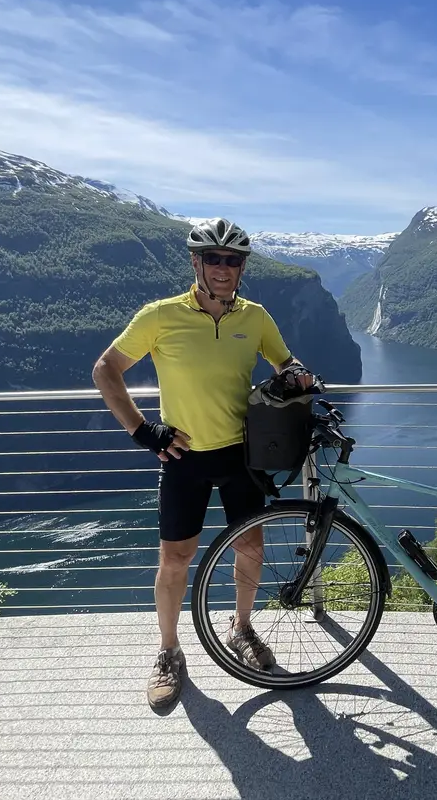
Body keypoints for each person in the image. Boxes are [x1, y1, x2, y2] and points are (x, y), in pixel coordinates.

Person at [91, 217, 318, 711]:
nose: (222, 268)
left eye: (232, 260)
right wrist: (141, 429)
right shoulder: (160, 315)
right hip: (183, 457)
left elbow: (284, 362)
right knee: (174, 559)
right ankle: (169, 653)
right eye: (213, 259)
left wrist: (297, 375)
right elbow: (106, 368)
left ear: (241, 267)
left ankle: (241, 628)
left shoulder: (255, 317)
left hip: (241, 454)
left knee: (251, 547)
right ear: (196, 263)